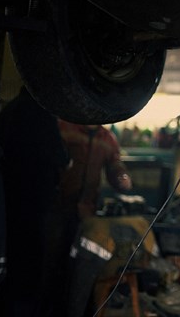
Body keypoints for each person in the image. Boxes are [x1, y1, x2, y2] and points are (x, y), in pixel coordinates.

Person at [0, 86, 70, 317]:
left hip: (7, 199)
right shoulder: (42, 116)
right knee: (31, 264)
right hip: (36, 202)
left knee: (10, 258)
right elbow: (62, 158)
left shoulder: (7, 113)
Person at [51, 120, 132, 316]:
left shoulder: (107, 139)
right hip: (57, 210)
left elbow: (115, 165)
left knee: (79, 269)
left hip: (86, 216)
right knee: (53, 265)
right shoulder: (64, 128)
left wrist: (122, 177)